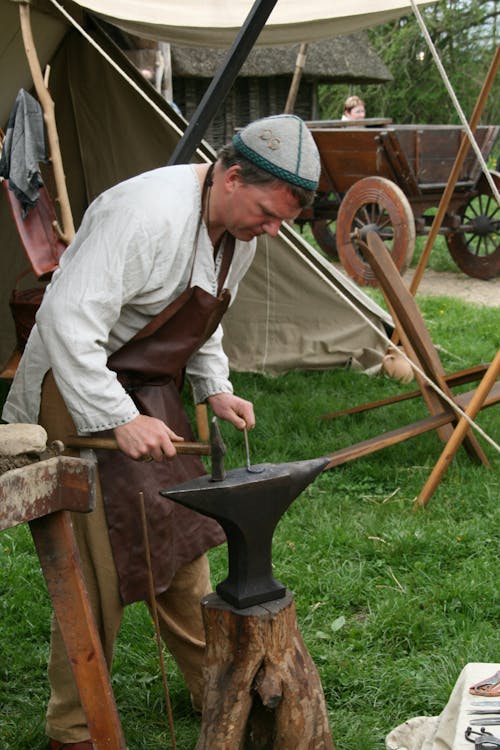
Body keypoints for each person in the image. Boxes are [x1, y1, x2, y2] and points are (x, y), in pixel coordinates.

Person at [2, 114, 320, 750]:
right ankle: (74, 728)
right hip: (74, 388)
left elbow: (205, 319)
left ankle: (218, 687)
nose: (273, 229)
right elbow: (67, 320)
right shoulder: (143, 215)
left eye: (283, 219)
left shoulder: (241, 232)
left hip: (146, 390)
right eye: (267, 212)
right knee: (98, 575)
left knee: (179, 550)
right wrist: (117, 418)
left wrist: (215, 386)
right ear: (232, 177)